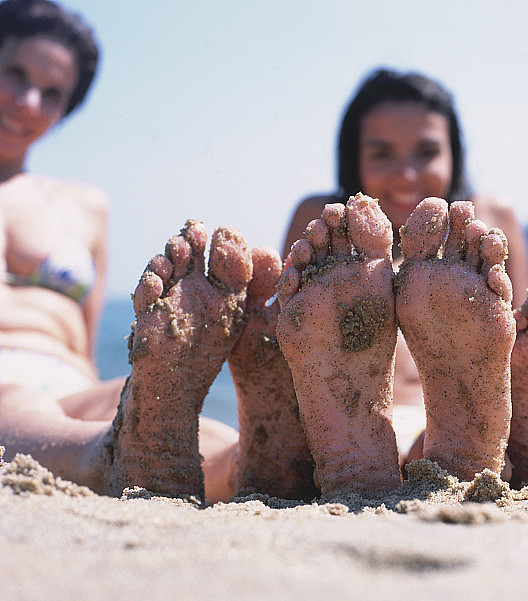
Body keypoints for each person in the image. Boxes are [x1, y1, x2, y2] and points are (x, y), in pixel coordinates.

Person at [0, 0, 318, 505]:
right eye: (15, 74)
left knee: (133, 400)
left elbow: (83, 343)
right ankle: (108, 456)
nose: (28, 102)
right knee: (15, 401)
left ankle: (251, 462)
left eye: (53, 94)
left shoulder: (83, 205)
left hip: (66, 379)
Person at [282, 68, 528, 458]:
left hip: (448, 420)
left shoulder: (489, 220)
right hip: (336, 419)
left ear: (454, 154)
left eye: (427, 152)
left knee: (447, 434)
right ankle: (440, 442)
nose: (406, 175)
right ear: (353, 158)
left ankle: (435, 432)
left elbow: (515, 337)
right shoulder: (323, 222)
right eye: (382, 154)